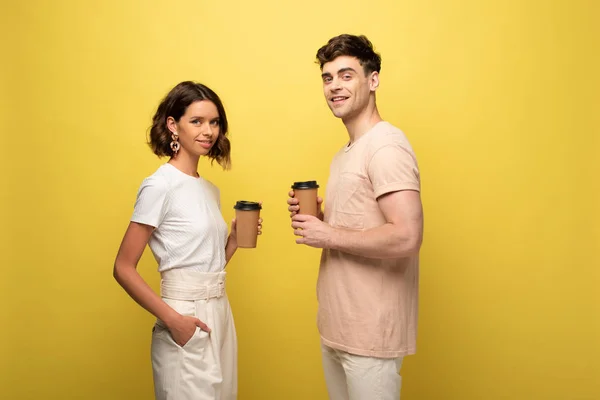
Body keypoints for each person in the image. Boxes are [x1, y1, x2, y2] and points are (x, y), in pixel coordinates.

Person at [287, 34, 424, 399]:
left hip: (370, 334)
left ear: (373, 80)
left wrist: (327, 235)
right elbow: (362, 220)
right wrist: (320, 219)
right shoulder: (346, 152)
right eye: (328, 77)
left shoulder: (386, 146)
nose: (334, 86)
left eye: (346, 75)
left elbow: (408, 236)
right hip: (338, 327)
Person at [113, 81, 261, 400]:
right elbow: (123, 267)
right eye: (197, 121)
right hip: (184, 314)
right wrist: (174, 321)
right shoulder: (159, 185)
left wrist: (233, 240)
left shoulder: (209, 189)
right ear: (173, 125)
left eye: (214, 122)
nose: (208, 131)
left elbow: (205, 262)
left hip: (220, 313)